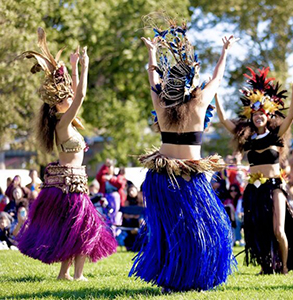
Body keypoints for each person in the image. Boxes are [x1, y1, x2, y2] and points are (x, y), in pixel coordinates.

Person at [129, 16, 238, 292]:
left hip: (184, 176)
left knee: (196, 228)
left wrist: (152, 54)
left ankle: (192, 276)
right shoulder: (190, 102)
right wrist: (224, 51)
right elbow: (217, 78)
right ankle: (174, 278)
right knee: (172, 230)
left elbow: (154, 79)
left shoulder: (178, 102)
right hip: (168, 177)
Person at [17, 28, 117, 281]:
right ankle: (77, 275)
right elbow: (80, 95)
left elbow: (74, 92)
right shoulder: (62, 123)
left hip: (73, 183)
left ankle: (66, 274)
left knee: (73, 229)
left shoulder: (68, 123)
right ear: (58, 104)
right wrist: (85, 66)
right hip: (69, 186)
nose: (71, 96)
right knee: (84, 227)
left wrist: (73, 67)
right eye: (67, 96)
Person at [216, 67, 293, 274]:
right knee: (258, 230)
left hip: (275, 186)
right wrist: (215, 94)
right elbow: (224, 120)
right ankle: (266, 266)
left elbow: (291, 118)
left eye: (262, 114)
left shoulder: (276, 134)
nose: (258, 117)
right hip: (254, 188)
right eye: (255, 114)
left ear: (268, 115)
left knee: (278, 229)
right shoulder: (246, 137)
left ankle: (285, 267)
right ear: (251, 116)